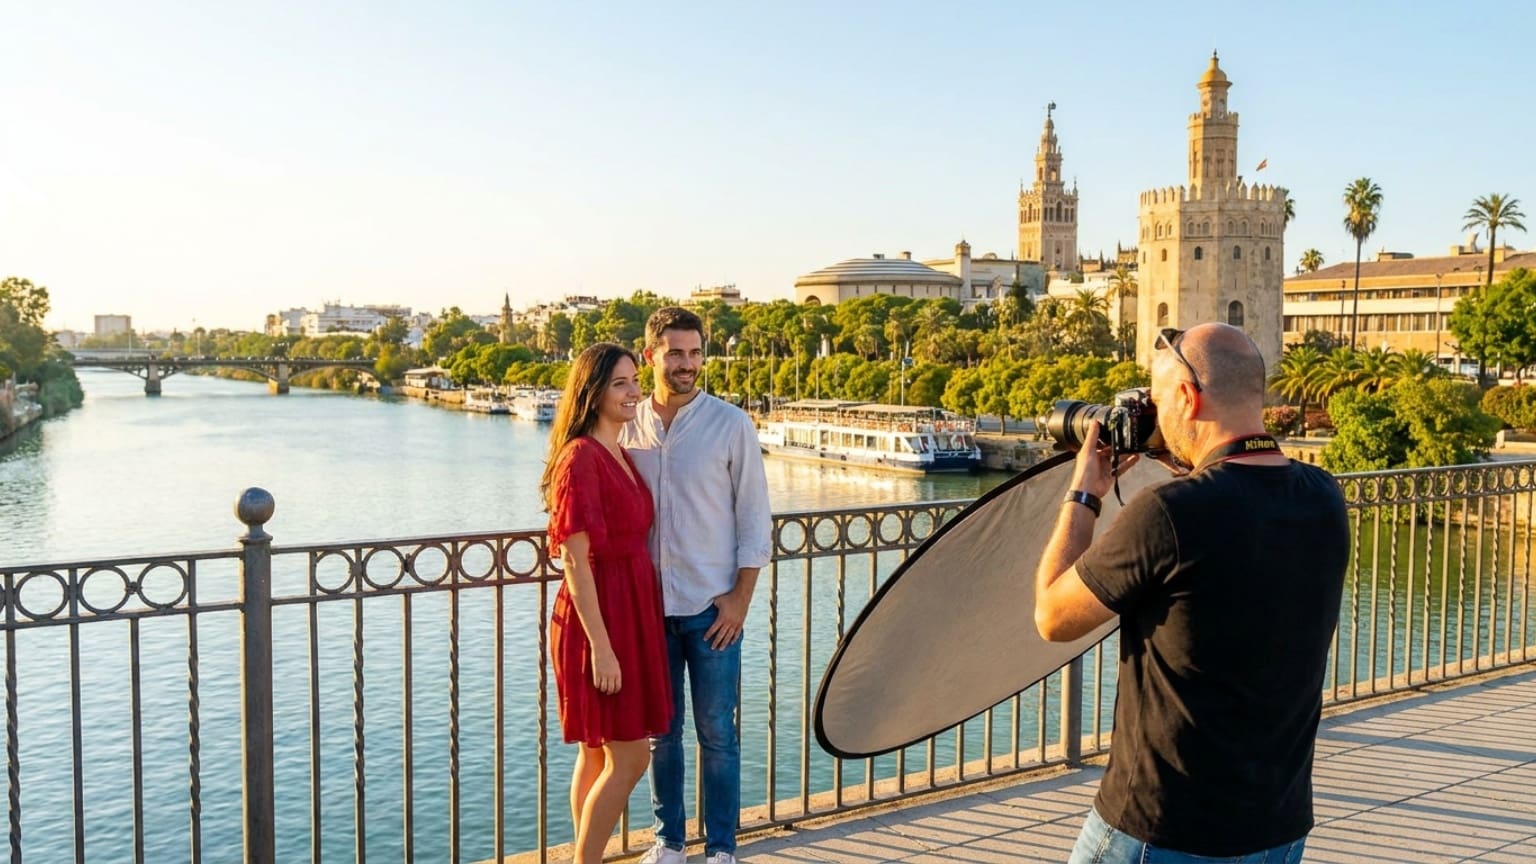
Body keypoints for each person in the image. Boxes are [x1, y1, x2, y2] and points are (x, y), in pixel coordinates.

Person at [1033, 323, 1349, 863]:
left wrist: (1084, 493)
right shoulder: (1323, 495)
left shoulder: (1168, 514)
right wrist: (1195, 460)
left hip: (1161, 829)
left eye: (1157, 402)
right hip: (1277, 826)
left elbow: (1052, 617)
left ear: (1186, 396)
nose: (1154, 419)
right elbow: (1239, 522)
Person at [623, 307, 773, 864]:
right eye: (675, 353)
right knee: (661, 735)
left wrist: (739, 601)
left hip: (713, 610)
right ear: (650, 356)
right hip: (648, 610)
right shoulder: (626, 425)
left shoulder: (731, 424)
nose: (687, 364)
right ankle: (669, 843)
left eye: (694, 353)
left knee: (717, 735)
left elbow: (754, 519)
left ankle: (721, 850)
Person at [542, 342, 674, 864]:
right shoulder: (580, 458)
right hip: (599, 620)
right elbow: (574, 560)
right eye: (620, 383)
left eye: (635, 380)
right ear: (593, 392)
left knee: (596, 754)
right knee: (631, 757)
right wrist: (601, 647)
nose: (634, 392)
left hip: (626, 611)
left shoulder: (617, 451)